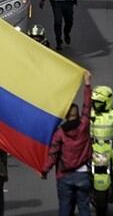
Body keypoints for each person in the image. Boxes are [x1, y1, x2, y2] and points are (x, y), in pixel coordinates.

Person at [42, 71, 93, 216]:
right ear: (77, 115)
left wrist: (44, 171)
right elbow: (87, 107)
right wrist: (87, 84)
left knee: (65, 208)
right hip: (83, 175)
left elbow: (53, 154)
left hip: (64, 177)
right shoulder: (83, 126)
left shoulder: (60, 133)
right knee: (84, 207)